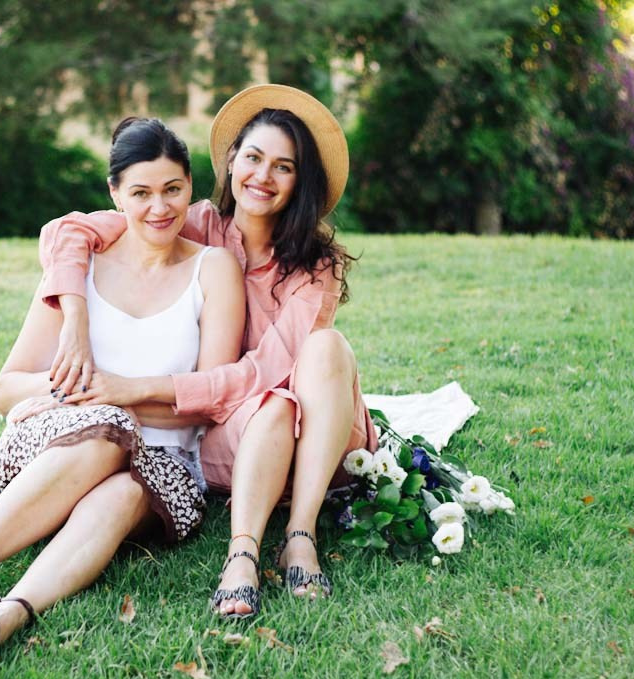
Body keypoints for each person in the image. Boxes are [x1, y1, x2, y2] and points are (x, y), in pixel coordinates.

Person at [0, 117, 245, 670]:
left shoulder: (213, 270)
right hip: (56, 444)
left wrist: (117, 395)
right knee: (105, 436)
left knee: (120, 489)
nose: (159, 208)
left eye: (172, 189)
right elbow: (8, 387)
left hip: (165, 464)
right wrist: (80, 398)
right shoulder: (80, 269)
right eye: (140, 192)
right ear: (115, 194)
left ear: (190, 186)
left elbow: (209, 397)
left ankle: (2, 618)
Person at [36, 84, 378, 619]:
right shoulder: (191, 221)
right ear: (231, 162)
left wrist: (140, 388)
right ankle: (241, 554)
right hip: (231, 437)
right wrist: (74, 315)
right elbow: (69, 229)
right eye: (253, 158)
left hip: (313, 436)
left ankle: (301, 534)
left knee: (324, 348)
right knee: (270, 407)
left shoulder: (318, 266)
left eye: (283, 167)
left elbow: (265, 372)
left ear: (300, 180)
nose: (262, 177)